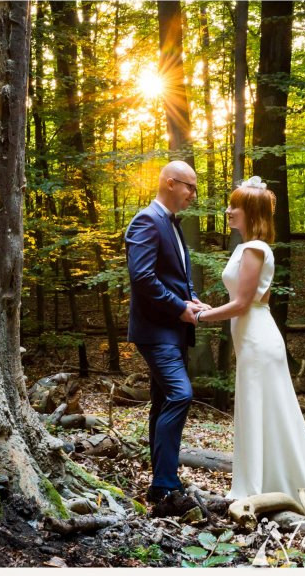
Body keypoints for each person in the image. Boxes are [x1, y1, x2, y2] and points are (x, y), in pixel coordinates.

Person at [194, 176, 305, 527]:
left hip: (258, 340)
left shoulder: (254, 249)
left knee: (260, 409)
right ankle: (256, 484)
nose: (228, 210)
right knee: (256, 410)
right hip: (254, 336)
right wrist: (206, 306)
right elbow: (254, 298)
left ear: (250, 211)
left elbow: (244, 303)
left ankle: (254, 489)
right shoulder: (250, 248)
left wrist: (201, 317)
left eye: (234, 206)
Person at [125, 160, 210, 509]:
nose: (193, 194)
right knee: (180, 394)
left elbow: (168, 276)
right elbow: (142, 277)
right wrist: (178, 307)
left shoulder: (171, 224)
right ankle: (164, 485)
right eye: (189, 186)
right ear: (170, 183)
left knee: (163, 402)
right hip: (156, 330)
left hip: (172, 331)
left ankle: (161, 484)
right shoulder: (147, 220)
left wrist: (188, 300)